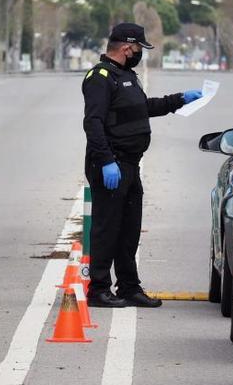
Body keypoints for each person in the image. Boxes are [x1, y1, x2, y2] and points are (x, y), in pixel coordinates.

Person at [82, 22, 202, 308]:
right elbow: (93, 123)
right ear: (126, 47)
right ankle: (98, 288)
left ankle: (128, 287)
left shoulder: (126, 76)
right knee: (106, 227)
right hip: (112, 164)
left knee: (129, 229)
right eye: (138, 48)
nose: (140, 53)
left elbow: (143, 108)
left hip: (130, 164)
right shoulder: (100, 77)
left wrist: (178, 100)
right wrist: (106, 162)